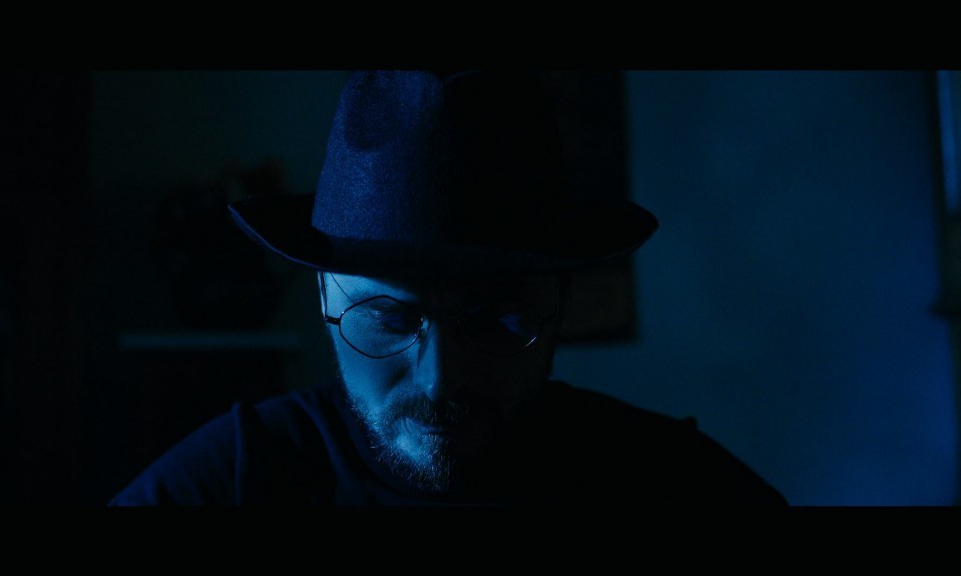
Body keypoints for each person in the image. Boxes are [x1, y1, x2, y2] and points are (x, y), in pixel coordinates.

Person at [109, 70, 788, 506]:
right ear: (324, 297)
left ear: (558, 303)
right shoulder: (237, 479)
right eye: (387, 318)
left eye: (497, 321)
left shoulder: (666, 483)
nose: (441, 380)